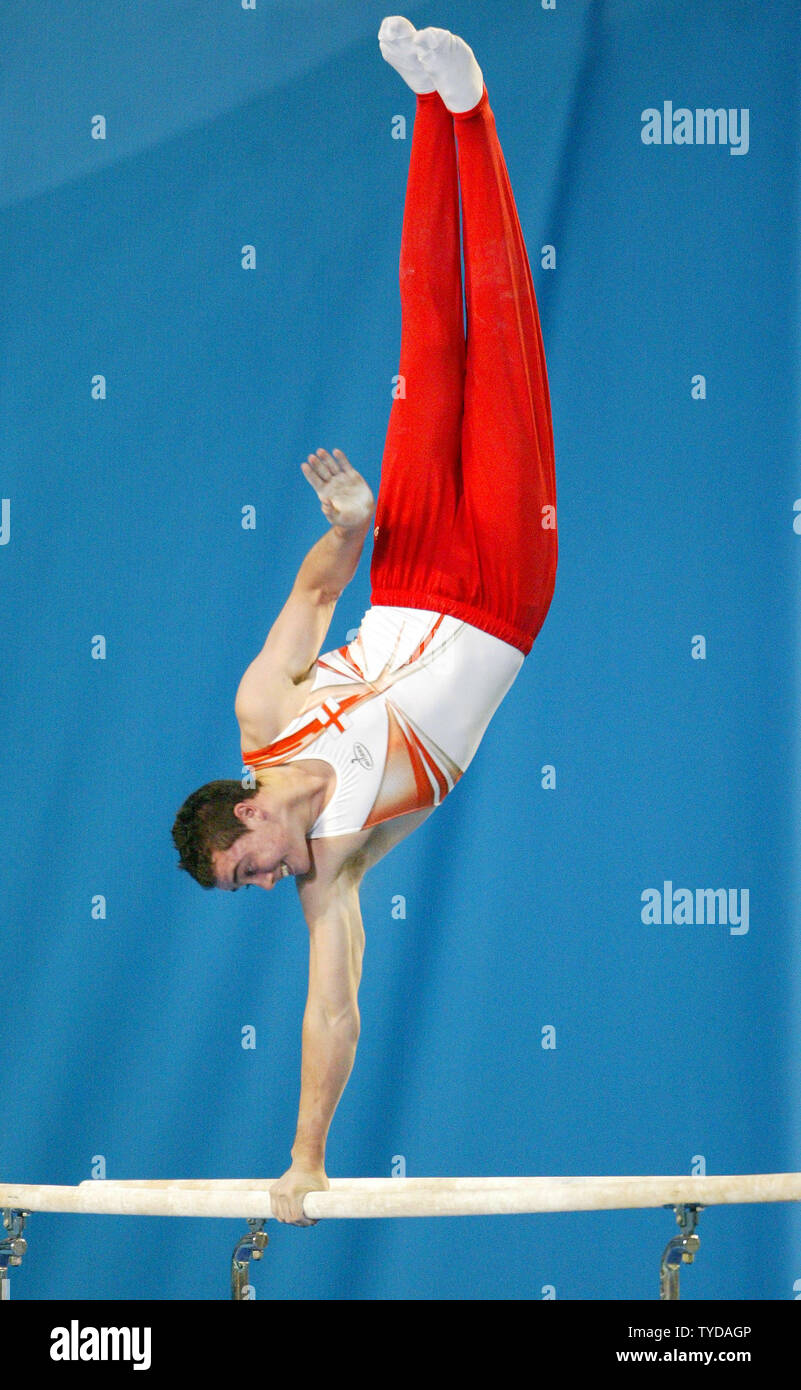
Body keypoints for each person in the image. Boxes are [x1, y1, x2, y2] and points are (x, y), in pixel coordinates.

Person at [171, 17, 558, 1225]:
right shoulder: (329, 873)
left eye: (245, 870)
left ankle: (430, 115)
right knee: (500, 335)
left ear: (244, 810)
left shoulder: (260, 711)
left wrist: (345, 521)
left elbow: (315, 591)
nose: (261, 885)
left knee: (426, 340)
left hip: (407, 560)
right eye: (251, 888)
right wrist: (305, 1160)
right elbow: (329, 1012)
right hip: (499, 593)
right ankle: (477, 110)